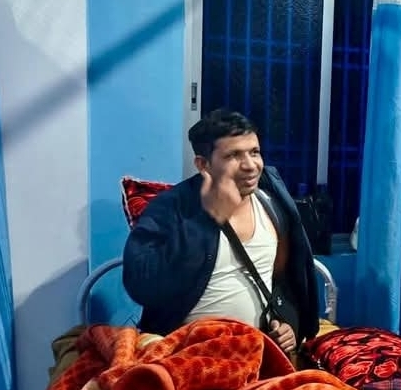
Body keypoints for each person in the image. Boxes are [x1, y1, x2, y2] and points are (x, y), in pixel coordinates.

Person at [123, 108, 319, 353]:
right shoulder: (172, 207)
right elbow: (142, 285)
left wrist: (288, 322)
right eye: (233, 155)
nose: (251, 166)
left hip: (258, 351)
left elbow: (284, 279)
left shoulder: (272, 202)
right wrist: (206, 220)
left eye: (254, 152)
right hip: (188, 354)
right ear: (203, 164)